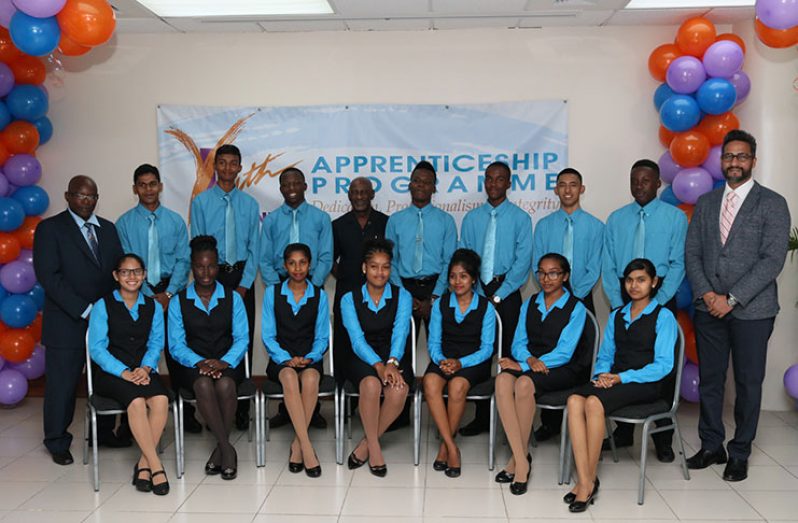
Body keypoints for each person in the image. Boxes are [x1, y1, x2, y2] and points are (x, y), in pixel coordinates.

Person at [684, 130, 791, 482]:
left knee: (748, 382)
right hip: (708, 308)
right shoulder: (706, 202)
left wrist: (731, 299)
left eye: (742, 156)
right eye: (729, 156)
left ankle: (740, 452)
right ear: (721, 160)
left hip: (753, 311)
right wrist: (708, 294)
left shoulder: (773, 203)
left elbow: (771, 259)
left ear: (753, 161)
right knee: (711, 381)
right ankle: (712, 445)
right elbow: (693, 253)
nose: (734, 162)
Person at [565, 258, 677, 512]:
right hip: (615, 381)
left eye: (641, 280)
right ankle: (586, 479)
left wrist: (621, 378)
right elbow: (605, 356)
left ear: (654, 282)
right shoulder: (617, 315)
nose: (634, 286)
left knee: (593, 403)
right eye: (629, 280)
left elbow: (663, 366)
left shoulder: (663, 316)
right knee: (574, 400)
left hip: (647, 384)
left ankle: (586, 484)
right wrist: (603, 374)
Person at [34, 175, 128, 466]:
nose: (86, 201)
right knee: (62, 385)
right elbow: (49, 277)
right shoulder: (50, 229)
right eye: (81, 196)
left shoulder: (109, 230)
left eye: (92, 197)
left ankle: (102, 434)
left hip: (104, 322)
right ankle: (57, 441)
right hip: (67, 321)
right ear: (68, 196)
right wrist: (86, 309)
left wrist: (113, 311)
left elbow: (118, 273)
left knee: (105, 379)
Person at [600, 159, 687, 461]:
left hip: (660, 301)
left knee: (663, 366)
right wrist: (618, 300)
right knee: (622, 361)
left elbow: (677, 263)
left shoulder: (675, 218)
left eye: (646, 180)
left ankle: (662, 439)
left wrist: (656, 303)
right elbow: (608, 264)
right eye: (634, 180)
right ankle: (623, 432)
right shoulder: (616, 219)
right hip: (624, 303)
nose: (639, 185)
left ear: (658, 183)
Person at [495, 253, 589, 495]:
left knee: (524, 383)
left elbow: (565, 352)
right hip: (532, 364)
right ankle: (521, 457)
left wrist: (528, 366)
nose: (546, 278)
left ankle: (519, 466)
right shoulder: (530, 303)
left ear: (565, 276)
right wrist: (527, 359)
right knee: (504, 379)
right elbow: (518, 342)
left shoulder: (576, 307)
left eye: (553, 273)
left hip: (563, 369)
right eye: (542, 273)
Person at [116, 164, 195, 431]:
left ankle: (187, 415)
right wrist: (149, 295)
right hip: (137, 291)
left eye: (153, 184)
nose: (148, 189)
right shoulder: (124, 223)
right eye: (142, 184)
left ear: (160, 186)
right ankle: (131, 418)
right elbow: (126, 260)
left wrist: (169, 293)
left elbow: (184, 260)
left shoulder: (175, 221)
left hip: (171, 292)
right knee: (135, 349)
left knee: (176, 351)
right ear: (135, 188)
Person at [458, 161, 533, 437]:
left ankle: (508, 419)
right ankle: (481, 417)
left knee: (507, 356)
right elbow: (464, 258)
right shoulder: (471, 219)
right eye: (489, 179)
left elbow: (523, 262)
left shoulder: (521, 219)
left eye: (499, 179)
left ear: (509, 183)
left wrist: (499, 295)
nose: (493, 184)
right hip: (475, 294)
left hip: (508, 293)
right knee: (478, 354)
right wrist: (477, 294)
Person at [190, 144, 260, 431]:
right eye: (223, 163)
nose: (228, 168)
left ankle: (240, 410)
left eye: (234, 163)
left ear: (240, 167)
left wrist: (244, 286)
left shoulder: (250, 204)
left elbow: (255, 248)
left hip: (241, 279)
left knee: (241, 343)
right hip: (211, 280)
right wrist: (210, 284)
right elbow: (199, 247)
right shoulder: (201, 203)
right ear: (215, 167)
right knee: (212, 340)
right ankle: (213, 409)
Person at [88, 253, 171, 495]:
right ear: (116, 275)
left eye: (136, 271)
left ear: (144, 275)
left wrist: (145, 368)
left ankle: (143, 464)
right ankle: (155, 466)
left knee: (161, 399)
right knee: (136, 402)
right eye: (125, 271)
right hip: (111, 373)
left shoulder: (153, 306)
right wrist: (124, 372)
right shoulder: (103, 305)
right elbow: (96, 348)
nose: (131, 276)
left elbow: (156, 343)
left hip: (142, 369)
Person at [532, 168, 603, 442]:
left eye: (574, 185)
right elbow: (537, 262)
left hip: (582, 299)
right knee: (549, 353)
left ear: (582, 189)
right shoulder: (544, 226)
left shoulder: (596, 226)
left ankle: (580, 416)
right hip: (550, 299)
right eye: (562, 185)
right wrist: (557, 291)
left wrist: (573, 296)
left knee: (581, 359)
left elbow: (595, 264)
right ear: (556, 190)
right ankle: (550, 422)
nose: (568, 190)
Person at [168, 236, 248, 480]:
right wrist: (199, 362)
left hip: (227, 361)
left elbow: (242, 338)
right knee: (203, 383)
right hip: (191, 364)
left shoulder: (233, 297)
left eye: (211, 265)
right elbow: (175, 345)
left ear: (218, 265)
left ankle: (218, 451)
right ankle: (226, 449)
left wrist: (224, 361)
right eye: (200, 266)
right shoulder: (179, 301)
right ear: (192, 266)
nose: (206, 272)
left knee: (225, 383)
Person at [260, 167, 332, 430]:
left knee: (307, 340)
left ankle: (310, 414)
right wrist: (277, 288)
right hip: (280, 285)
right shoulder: (271, 221)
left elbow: (325, 256)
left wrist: (311, 285)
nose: (291, 187)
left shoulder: (320, 218)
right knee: (285, 343)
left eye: (296, 182)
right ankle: (289, 412)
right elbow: (265, 258)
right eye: (286, 183)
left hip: (311, 287)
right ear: (280, 188)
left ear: (304, 185)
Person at [341, 238, 412, 477]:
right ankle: (375, 449)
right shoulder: (348, 299)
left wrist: (392, 362)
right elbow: (357, 340)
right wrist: (380, 367)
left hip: (394, 356)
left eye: (385, 267)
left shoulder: (402, 296)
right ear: (364, 268)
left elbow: (400, 333)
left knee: (399, 390)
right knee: (371, 384)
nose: (380, 272)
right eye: (374, 266)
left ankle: (366, 444)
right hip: (362, 357)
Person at [422, 249, 496, 478]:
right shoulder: (441, 304)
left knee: (456, 387)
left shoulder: (486, 307)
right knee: (430, 383)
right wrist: (442, 360)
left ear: (473, 278)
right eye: (453, 276)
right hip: (444, 357)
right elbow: (433, 341)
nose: (457, 281)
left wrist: (460, 363)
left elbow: (487, 349)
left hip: (473, 361)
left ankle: (445, 448)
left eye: (463, 276)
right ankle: (452, 447)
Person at [262, 243, 330, 478]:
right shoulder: (272, 292)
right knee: (290, 379)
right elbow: (268, 336)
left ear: (309, 265)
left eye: (302, 262)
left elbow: (322, 337)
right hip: (282, 359)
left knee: (310, 379)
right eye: (292, 263)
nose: (297, 268)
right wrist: (286, 359)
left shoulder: (320, 295)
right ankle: (306, 447)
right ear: (284, 265)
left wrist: (310, 357)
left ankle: (296, 444)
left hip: (310, 357)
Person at [385, 161, 457, 334]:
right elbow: (390, 262)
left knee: (440, 351)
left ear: (434, 188)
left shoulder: (446, 221)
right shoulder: (395, 221)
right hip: (404, 287)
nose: (421, 185)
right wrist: (404, 295)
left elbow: (450, 262)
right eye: (417, 181)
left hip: (437, 287)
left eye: (427, 182)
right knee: (403, 351)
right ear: (410, 185)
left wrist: (434, 297)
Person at [332, 177, 389, 386]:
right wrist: (347, 276)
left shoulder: (385, 222)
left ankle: (378, 387)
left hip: (378, 295)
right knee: (344, 342)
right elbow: (330, 259)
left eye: (364, 192)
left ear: (372, 194)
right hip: (346, 292)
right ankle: (342, 393)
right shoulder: (338, 225)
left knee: (376, 340)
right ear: (349, 195)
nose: (359, 197)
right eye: (355, 192)